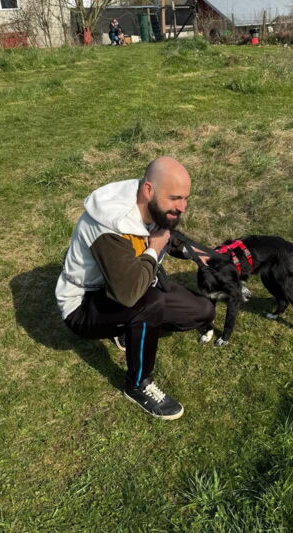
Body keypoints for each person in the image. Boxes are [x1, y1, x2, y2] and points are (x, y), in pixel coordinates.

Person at [55, 157, 215, 420]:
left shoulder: (152, 202)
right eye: (175, 198)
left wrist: (206, 255)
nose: (182, 207)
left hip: (122, 289)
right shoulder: (110, 224)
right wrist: (153, 249)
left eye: (186, 198)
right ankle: (138, 384)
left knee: (202, 311)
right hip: (83, 305)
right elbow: (129, 293)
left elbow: (166, 236)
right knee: (149, 303)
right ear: (149, 190)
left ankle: (125, 329)